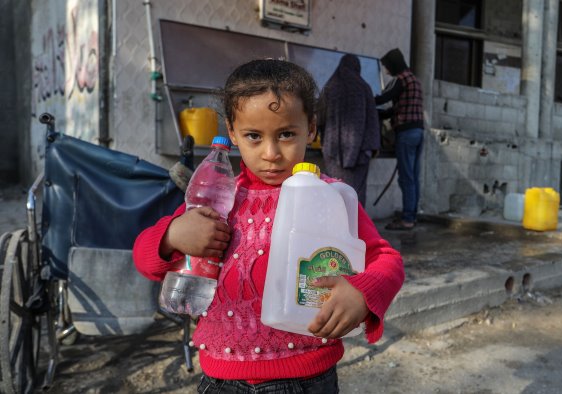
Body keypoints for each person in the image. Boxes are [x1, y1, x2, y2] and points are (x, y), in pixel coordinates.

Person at [133, 59, 404, 393]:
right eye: (254, 136)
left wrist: (362, 291)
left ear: (312, 128)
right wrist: (173, 234)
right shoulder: (218, 200)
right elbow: (144, 259)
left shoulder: (332, 198)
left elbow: (386, 258)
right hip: (219, 381)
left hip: (305, 380)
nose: (272, 153)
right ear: (232, 132)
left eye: (287, 134)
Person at [317, 54, 380, 206]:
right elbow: (373, 120)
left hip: (333, 151)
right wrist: (372, 147)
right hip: (360, 153)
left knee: (336, 191)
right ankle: (358, 228)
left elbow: (320, 118)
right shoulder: (364, 87)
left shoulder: (330, 86)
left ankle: (337, 227)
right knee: (356, 194)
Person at [375, 48, 424, 231]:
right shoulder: (415, 81)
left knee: (406, 178)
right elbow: (399, 108)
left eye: (387, 67)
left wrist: (365, 101)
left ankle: (407, 219)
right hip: (418, 132)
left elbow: (384, 99)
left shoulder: (401, 80)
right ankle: (412, 215)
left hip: (406, 134)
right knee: (413, 177)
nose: (387, 72)